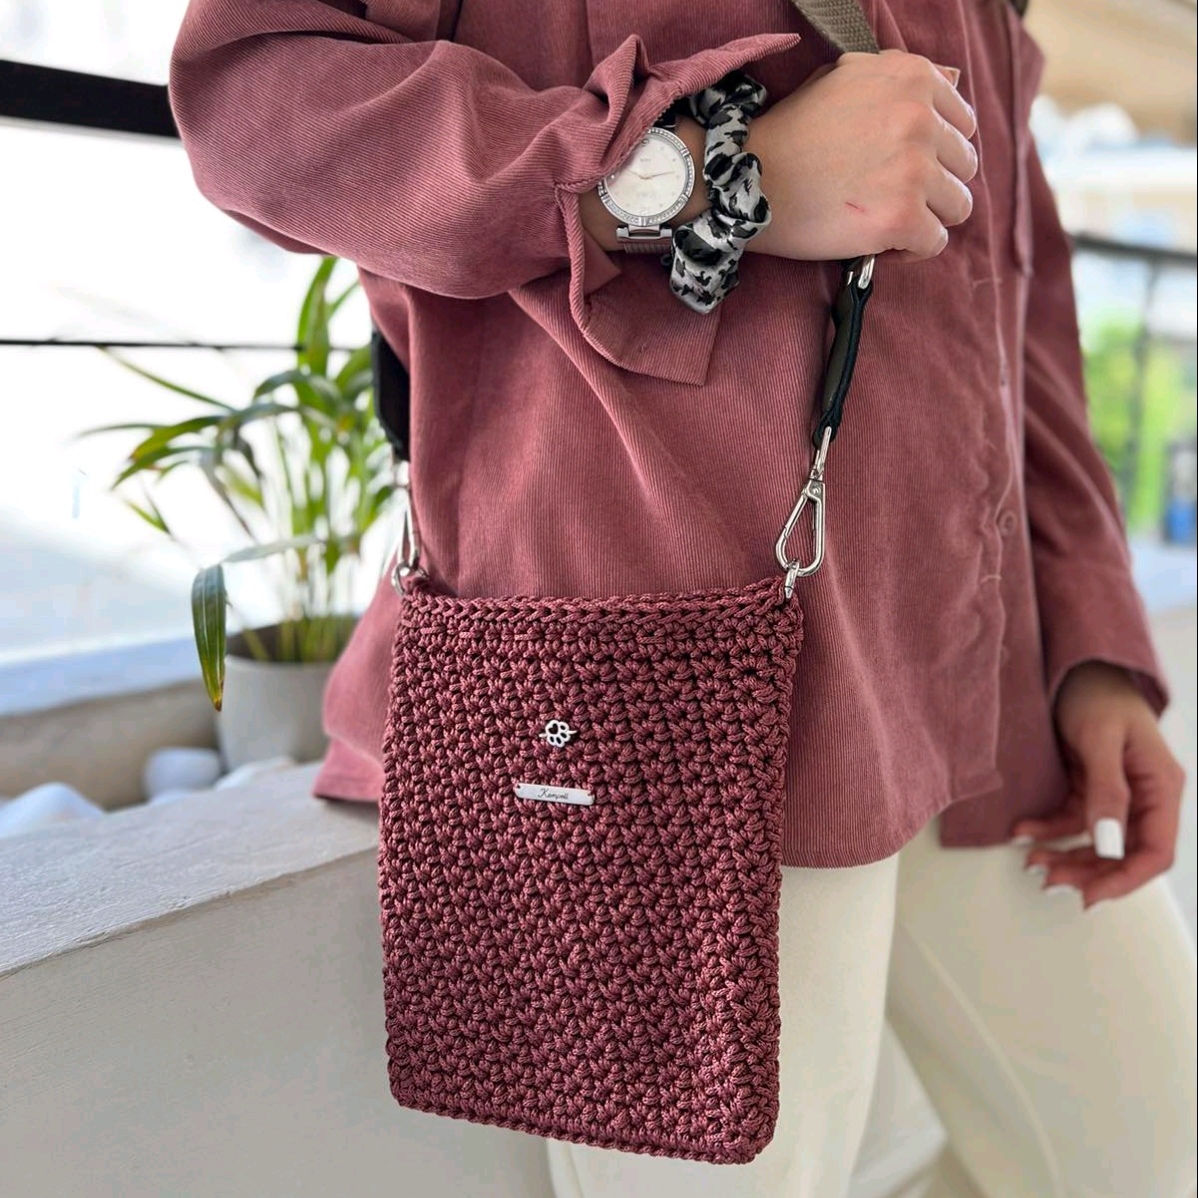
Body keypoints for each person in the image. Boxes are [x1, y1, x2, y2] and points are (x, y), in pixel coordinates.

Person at [169, 1, 1197, 1194]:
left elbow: (1019, 297)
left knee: (1151, 1146)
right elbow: (256, 99)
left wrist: (1092, 638)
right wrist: (700, 176)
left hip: (986, 672)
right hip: (669, 690)